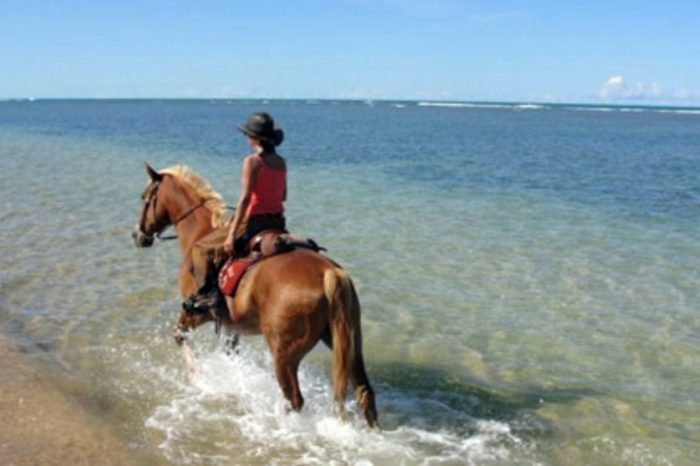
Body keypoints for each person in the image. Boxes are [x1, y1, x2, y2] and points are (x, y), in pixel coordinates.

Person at [183, 112, 287, 314]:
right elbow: (283, 196)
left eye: (248, 134)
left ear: (254, 138)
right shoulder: (281, 162)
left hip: (253, 223)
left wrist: (231, 235)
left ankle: (208, 295)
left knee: (200, 248)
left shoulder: (252, 161)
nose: (246, 138)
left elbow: (246, 197)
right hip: (278, 223)